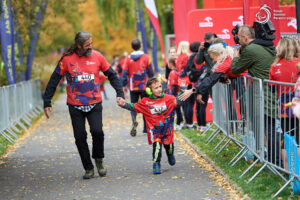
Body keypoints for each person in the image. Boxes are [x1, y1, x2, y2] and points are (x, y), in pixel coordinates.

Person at [43, 31, 124, 179]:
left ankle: (99, 159)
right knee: (80, 137)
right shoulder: (67, 59)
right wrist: (47, 101)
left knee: (97, 132)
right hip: (75, 105)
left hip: (94, 103)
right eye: (87, 45)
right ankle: (88, 168)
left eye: (91, 44)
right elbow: (54, 79)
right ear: (79, 45)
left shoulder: (98, 56)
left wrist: (120, 93)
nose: (90, 47)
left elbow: (111, 75)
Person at [117, 77, 179, 174]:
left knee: (169, 146)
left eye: (160, 87)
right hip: (156, 130)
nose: (159, 89)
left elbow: (178, 100)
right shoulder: (145, 102)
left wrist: (189, 93)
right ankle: (156, 164)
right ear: (149, 91)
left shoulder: (168, 98)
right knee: (157, 146)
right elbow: (134, 106)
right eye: (156, 88)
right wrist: (124, 104)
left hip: (167, 130)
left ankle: (170, 154)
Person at [269, 38, 300, 170]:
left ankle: (289, 173)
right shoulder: (299, 63)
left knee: (286, 138)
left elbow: (272, 87)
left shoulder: (275, 66)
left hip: (284, 107)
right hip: (298, 105)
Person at [179, 43, 247, 103]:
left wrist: (192, 90)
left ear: (219, 54)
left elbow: (211, 80)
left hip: (250, 81)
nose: (213, 61)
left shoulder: (225, 61)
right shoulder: (229, 54)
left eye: (213, 58)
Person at [121, 38, 154, 137]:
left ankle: (134, 121)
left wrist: (124, 85)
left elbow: (124, 73)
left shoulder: (127, 58)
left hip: (133, 87)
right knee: (145, 106)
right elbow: (151, 72)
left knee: (133, 106)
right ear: (140, 46)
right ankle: (145, 128)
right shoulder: (146, 57)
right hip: (144, 86)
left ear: (132, 47)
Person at [194, 33, 216, 130]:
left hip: (220, 77)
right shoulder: (205, 49)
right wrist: (201, 50)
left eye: (210, 41)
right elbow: (198, 61)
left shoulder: (220, 46)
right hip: (209, 78)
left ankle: (230, 126)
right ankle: (207, 125)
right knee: (207, 101)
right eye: (207, 41)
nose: (209, 43)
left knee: (223, 102)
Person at [176, 41, 193, 129]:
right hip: (188, 80)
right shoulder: (187, 57)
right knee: (189, 103)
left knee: (185, 103)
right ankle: (189, 123)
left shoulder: (178, 57)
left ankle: (187, 122)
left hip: (181, 81)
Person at [167, 57, 183, 130]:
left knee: (176, 109)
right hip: (175, 94)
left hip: (175, 95)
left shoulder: (173, 73)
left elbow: (174, 85)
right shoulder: (174, 72)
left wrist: (172, 96)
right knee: (177, 109)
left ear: (170, 63)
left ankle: (178, 123)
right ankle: (179, 122)